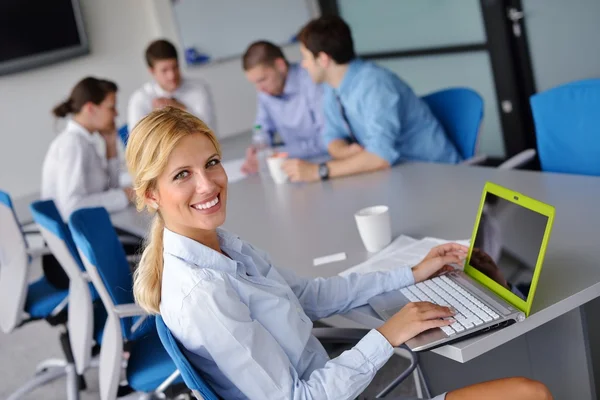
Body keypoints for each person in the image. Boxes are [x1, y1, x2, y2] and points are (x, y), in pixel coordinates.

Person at [124, 107, 552, 400]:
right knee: (529, 394)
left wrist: (410, 273)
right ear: (150, 194)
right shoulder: (203, 293)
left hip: (338, 384)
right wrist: (387, 335)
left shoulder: (222, 247)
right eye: (183, 175)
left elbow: (311, 296)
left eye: (212, 163)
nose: (208, 184)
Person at [282, 16, 462, 183]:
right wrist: (344, 151)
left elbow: (380, 156)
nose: (303, 65)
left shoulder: (374, 84)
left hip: (437, 175)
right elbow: (332, 136)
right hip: (397, 176)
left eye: (305, 57)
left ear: (323, 59)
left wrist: (318, 171)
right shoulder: (332, 87)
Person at [42, 76, 136, 289]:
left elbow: (107, 189)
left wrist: (111, 146)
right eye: (112, 107)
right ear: (90, 108)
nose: (116, 114)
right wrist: (124, 195)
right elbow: (72, 207)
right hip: (72, 257)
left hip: (82, 244)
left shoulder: (85, 142)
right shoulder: (72, 145)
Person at [241, 41, 327, 173]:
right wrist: (257, 150)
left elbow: (328, 140)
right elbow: (261, 127)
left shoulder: (311, 81)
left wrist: (278, 153)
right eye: (255, 83)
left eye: (262, 79)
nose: (260, 89)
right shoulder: (266, 92)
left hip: (326, 163)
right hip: (293, 168)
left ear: (280, 65)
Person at [127, 39, 216, 131]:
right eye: (164, 70)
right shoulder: (140, 98)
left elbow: (210, 131)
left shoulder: (199, 89)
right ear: (152, 71)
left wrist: (180, 108)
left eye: (175, 67)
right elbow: (136, 140)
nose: (172, 75)